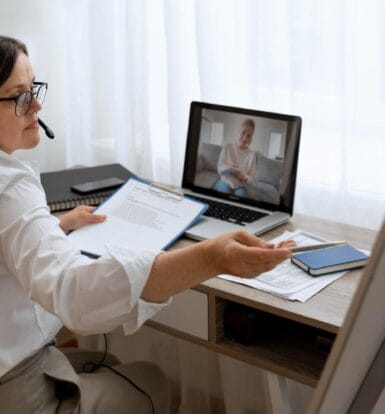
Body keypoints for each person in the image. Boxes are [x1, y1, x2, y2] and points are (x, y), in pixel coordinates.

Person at [0, 35, 294, 413]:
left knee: (112, 366)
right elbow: (73, 292)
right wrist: (211, 258)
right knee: (151, 381)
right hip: (16, 391)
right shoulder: (10, 187)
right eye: (20, 95)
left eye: (35, 88)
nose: (37, 105)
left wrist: (55, 226)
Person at [214, 118, 257, 197]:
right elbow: (219, 168)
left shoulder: (252, 155)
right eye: (243, 133)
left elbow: (252, 177)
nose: (245, 138)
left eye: (249, 136)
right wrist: (230, 169)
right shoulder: (227, 147)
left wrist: (245, 178)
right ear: (238, 132)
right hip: (225, 180)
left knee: (243, 196)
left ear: (251, 139)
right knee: (224, 193)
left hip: (240, 185)